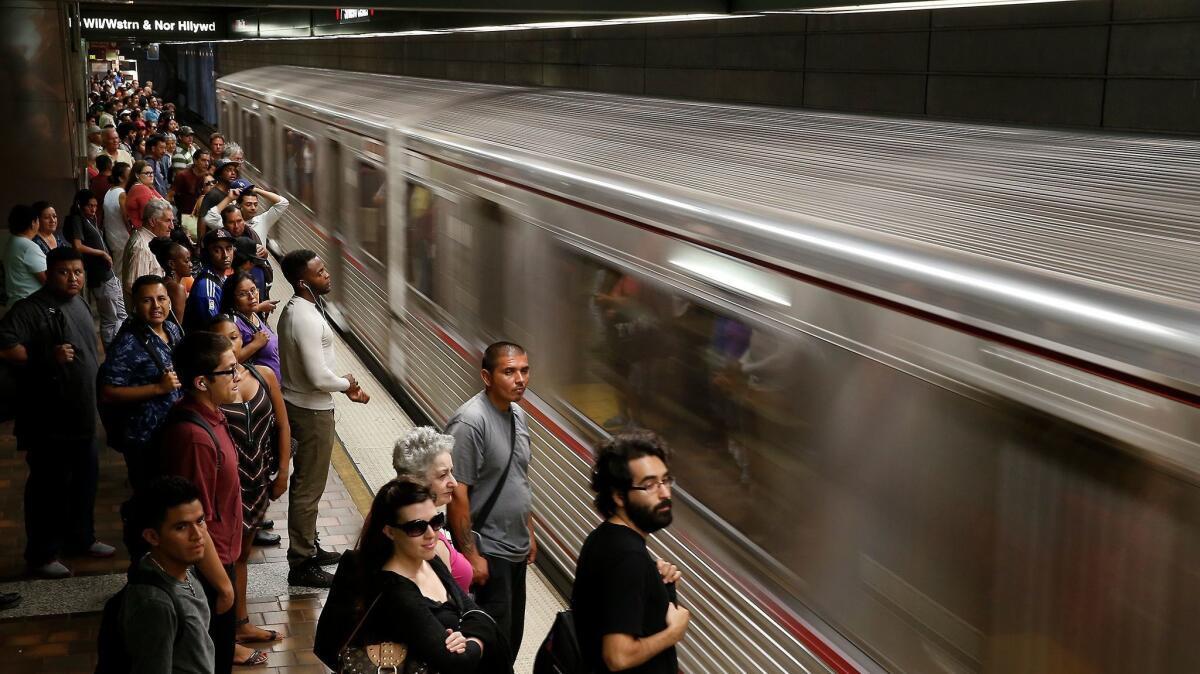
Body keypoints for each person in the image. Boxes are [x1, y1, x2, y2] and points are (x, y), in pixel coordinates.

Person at [313, 480, 513, 673]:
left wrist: (468, 637)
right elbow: (457, 662)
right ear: (390, 532)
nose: (430, 534)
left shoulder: (429, 560)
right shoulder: (397, 592)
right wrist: (477, 640)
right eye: (416, 527)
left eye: (436, 522)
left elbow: (476, 612)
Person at [0, 247, 113, 579]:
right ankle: (41, 553)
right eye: (64, 272)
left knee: (84, 483)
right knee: (48, 490)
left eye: (78, 272)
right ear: (49, 274)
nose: (73, 278)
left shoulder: (78, 301)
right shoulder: (30, 308)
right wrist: (43, 357)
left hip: (82, 416)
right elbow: (6, 344)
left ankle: (81, 539)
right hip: (49, 420)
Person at [277, 249, 369, 587]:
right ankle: (301, 563)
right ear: (303, 281)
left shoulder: (298, 310)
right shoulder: (305, 317)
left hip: (305, 405)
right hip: (310, 411)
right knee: (308, 487)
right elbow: (318, 378)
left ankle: (310, 547)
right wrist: (347, 384)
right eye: (319, 272)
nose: (326, 274)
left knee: (309, 485)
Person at [159, 331, 249, 672]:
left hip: (217, 561)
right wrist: (224, 587)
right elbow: (195, 524)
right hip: (207, 571)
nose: (239, 375)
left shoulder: (212, 415)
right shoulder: (194, 438)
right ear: (201, 382)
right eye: (230, 370)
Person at [571, 430, 690, 674]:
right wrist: (673, 633)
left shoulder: (605, 537)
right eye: (649, 485)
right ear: (619, 496)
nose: (665, 493)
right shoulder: (628, 558)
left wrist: (656, 583)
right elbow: (618, 656)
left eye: (665, 480)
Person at [445, 341, 534, 662]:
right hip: (489, 552)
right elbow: (456, 495)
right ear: (486, 376)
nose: (520, 379)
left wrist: (530, 531)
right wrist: (471, 554)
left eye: (524, 371)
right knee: (492, 646)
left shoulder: (518, 416)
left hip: (515, 550)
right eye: (509, 372)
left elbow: (519, 477)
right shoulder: (470, 422)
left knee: (511, 638)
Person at [209, 314, 290, 651]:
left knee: (242, 555)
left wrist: (282, 471)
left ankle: (240, 624)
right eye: (222, 341)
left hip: (259, 484)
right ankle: (223, 637)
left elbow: (283, 426)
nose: (232, 345)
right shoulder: (213, 386)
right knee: (222, 559)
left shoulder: (264, 375)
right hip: (228, 488)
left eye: (235, 337)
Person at [120, 476, 216, 674]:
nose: (197, 535)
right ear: (152, 537)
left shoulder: (183, 567)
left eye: (200, 521)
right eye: (181, 527)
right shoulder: (156, 605)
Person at [98, 274, 183, 490]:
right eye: (147, 300)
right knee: (149, 495)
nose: (156, 306)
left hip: (173, 432)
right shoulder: (128, 342)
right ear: (135, 304)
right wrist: (157, 388)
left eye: (161, 299)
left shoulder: (172, 330)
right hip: (144, 437)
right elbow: (108, 391)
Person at [392, 426, 472, 592]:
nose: (454, 483)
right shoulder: (425, 541)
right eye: (443, 475)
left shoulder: (391, 511)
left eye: (452, 472)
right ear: (414, 480)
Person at [63, 189, 126, 347]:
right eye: (89, 206)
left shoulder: (90, 219)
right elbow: (78, 246)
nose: (93, 209)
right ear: (80, 205)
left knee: (121, 314)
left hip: (108, 274)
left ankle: (122, 348)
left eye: (95, 206)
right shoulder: (77, 219)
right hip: (100, 275)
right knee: (110, 319)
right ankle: (112, 351)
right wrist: (101, 253)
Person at [221, 272, 280, 383]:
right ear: (232, 299)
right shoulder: (232, 324)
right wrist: (255, 345)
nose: (252, 297)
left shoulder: (252, 314)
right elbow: (226, 362)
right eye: (243, 294)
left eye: (253, 290)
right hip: (257, 389)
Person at [183, 228, 235, 335]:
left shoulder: (222, 278)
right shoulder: (206, 285)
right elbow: (216, 330)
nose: (225, 255)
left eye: (229, 249)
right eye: (217, 250)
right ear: (207, 253)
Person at [121, 198, 173, 305]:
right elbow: (136, 288)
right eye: (168, 221)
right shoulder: (141, 247)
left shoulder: (151, 241)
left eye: (172, 221)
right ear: (152, 221)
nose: (172, 226)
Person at [203, 186, 289, 248]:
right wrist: (229, 198)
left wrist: (257, 190)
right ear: (239, 205)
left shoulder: (262, 221)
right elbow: (209, 218)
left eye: (255, 204)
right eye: (248, 204)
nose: (253, 208)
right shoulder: (229, 224)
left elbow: (283, 203)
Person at [4, 205, 47, 304]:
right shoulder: (28, 247)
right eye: (38, 221)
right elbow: (47, 279)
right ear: (33, 223)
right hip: (29, 304)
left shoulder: (12, 241)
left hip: (17, 302)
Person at [149, 237, 192, 325]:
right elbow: (177, 325)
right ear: (172, 264)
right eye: (186, 261)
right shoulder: (176, 288)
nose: (191, 265)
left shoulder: (164, 282)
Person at [103, 162, 131, 276]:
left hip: (112, 235)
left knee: (118, 267)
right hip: (121, 237)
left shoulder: (109, 192)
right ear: (120, 177)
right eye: (129, 174)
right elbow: (126, 218)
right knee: (121, 270)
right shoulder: (122, 194)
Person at [197, 158, 238, 234]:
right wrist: (201, 242)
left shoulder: (231, 193)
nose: (233, 173)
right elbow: (202, 218)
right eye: (229, 170)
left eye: (234, 170)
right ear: (220, 173)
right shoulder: (213, 194)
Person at [170, 148, 211, 221]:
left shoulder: (208, 176)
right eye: (203, 160)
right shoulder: (183, 175)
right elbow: (170, 196)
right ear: (195, 161)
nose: (206, 163)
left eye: (208, 161)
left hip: (203, 216)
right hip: (185, 216)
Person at [124, 159, 163, 231]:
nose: (151, 175)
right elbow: (152, 215)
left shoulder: (148, 187)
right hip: (145, 232)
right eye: (147, 173)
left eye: (152, 173)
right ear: (137, 175)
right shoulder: (140, 189)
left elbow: (165, 205)